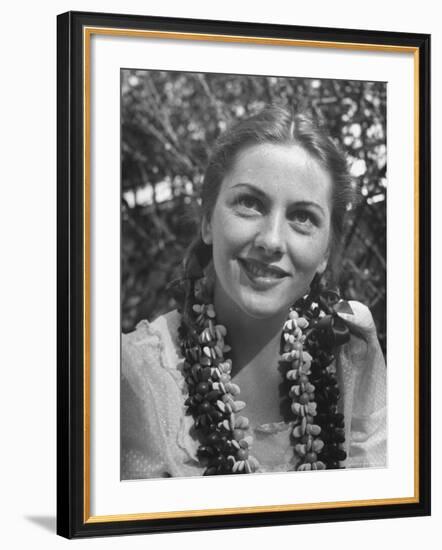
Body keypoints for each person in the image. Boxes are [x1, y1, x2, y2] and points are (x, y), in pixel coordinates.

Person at [121, 105, 386, 480]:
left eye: (303, 217)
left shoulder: (349, 346)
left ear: (326, 252)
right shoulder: (136, 374)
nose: (272, 240)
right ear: (208, 220)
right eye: (250, 203)